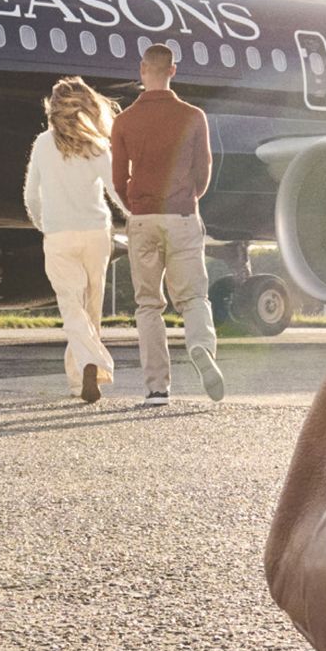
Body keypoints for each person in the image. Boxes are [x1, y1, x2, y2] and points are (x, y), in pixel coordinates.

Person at [110, 44, 225, 405]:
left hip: (142, 219)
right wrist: (188, 198)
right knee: (193, 297)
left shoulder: (124, 120)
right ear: (172, 71)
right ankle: (201, 347)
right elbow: (203, 172)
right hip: (181, 216)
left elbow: (117, 179)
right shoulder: (193, 116)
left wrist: (137, 206)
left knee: (148, 305)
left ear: (143, 69)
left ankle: (156, 389)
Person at [22, 77, 123, 402]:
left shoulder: (41, 144)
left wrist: (42, 224)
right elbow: (116, 191)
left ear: (52, 109)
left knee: (71, 308)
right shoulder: (97, 146)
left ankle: (91, 364)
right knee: (91, 309)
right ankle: (80, 381)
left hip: (59, 235)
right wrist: (137, 218)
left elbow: (30, 195)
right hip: (96, 234)